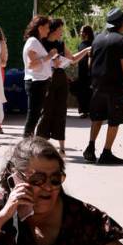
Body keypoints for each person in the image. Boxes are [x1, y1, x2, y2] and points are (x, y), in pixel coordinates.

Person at [83, 9, 123, 165]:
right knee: (114, 120)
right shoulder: (122, 40)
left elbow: (90, 62)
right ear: (121, 23)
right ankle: (106, 152)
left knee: (97, 117)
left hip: (97, 85)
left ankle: (90, 147)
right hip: (115, 86)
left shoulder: (97, 39)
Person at [37, 18, 91, 154]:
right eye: (60, 29)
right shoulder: (41, 43)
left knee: (61, 112)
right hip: (47, 79)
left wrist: (86, 51)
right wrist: (50, 59)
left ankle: (61, 148)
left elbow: (72, 59)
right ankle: (40, 144)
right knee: (46, 111)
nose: (62, 32)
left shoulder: (60, 44)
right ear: (53, 30)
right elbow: (37, 62)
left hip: (61, 79)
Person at [22, 15, 56, 137]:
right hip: (36, 83)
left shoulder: (36, 42)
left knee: (35, 115)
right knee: (33, 115)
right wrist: (49, 56)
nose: (48, 30)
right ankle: (26, 143)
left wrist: (51, 61)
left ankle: (28, 142)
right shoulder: (33, 42)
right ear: (40, 27)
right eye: (47, 27)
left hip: (39, 82)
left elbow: (38, 63)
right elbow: (32, 64)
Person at [70, 25, 95, 117]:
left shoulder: (93, 44)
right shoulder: (81, 44)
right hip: (81, 72)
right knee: (81, 92)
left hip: (90, 72)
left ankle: (91, 111)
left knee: (89, 92)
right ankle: (84, 111)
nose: (80, 33)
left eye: (82, 32)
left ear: (87, 33)